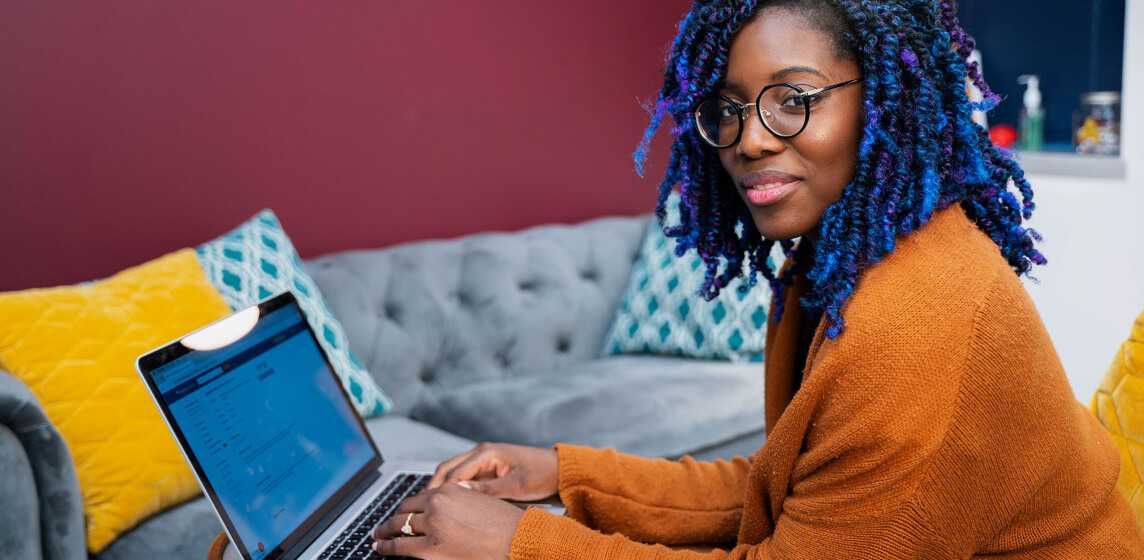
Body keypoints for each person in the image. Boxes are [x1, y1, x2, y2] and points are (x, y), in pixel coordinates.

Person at [370, 1, 1144, 558]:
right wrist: (564, 473)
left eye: (793, 100)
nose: (748, 140)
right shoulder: (837, 264)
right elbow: (780, 489)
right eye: (732, 110)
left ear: (881, 102)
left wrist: (524, 544)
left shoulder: (920, 319)